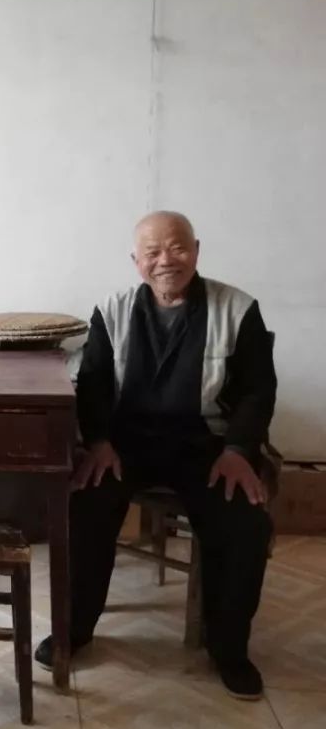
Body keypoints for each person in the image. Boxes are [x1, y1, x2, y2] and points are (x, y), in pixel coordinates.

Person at [34, 211, 276, 700]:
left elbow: (257, 389)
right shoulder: (113, 310)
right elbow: (93, 383)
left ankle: (228, 648)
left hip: (205, 445)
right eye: (152, 252)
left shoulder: (237, 308)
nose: (166, 260)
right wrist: (97, 442)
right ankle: (73, 629)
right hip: (127, 444)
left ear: (197, 250)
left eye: (178, 247)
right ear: (136, 261)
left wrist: (238, 450)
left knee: (246, 522)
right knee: (84, 502)